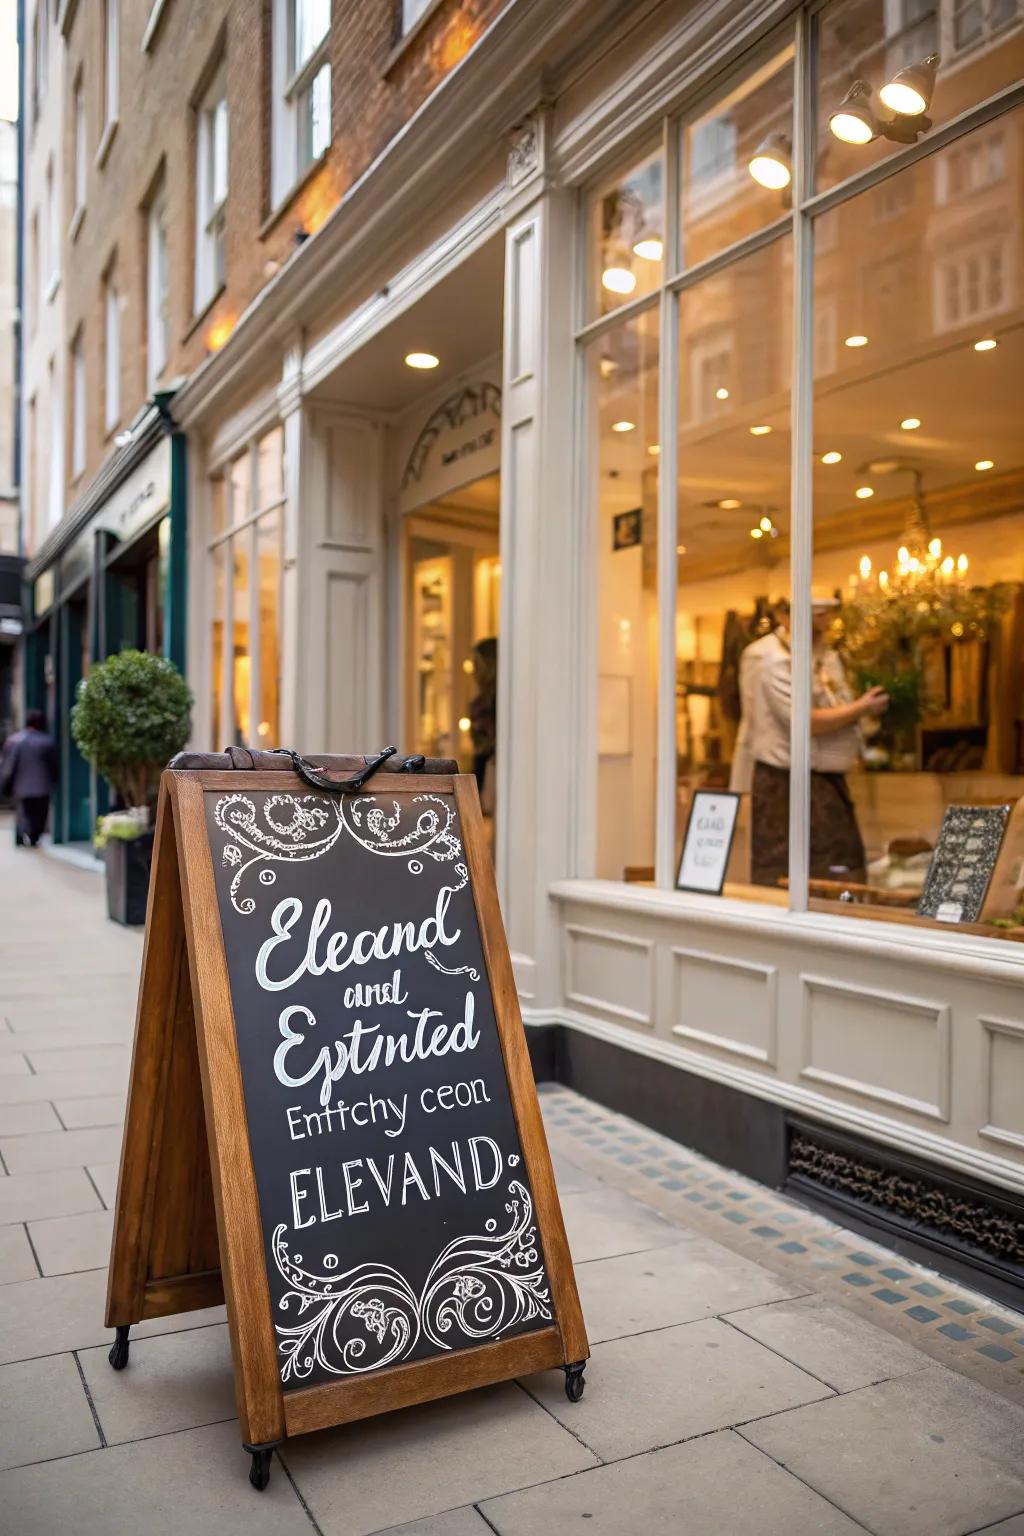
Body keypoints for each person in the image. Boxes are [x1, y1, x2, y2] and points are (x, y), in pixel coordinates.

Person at [735, 596, 888, 889]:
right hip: (785, 781)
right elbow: (805, 722)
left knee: (838, 872)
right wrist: (861, 707)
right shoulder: (770, 658)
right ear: (785, 617)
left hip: (825, 779)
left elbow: (833, 701)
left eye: (826, 615)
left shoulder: (824, 655)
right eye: (816, 614)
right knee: (787, 876)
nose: (825, 621)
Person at [0, 710, 58, 848]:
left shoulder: (14, 741)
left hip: (21, 786)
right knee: (40, 815)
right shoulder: (47, 742)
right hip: (43, 786)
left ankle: (23, 836)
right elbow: (54, 766)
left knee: (23, 813)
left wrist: (5, 784)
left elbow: (8, 766)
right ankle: (33, 837)